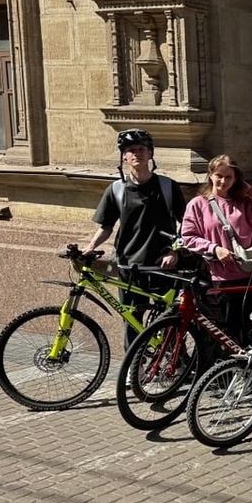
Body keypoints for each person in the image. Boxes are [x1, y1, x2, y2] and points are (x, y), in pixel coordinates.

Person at [83, 128, 186, 347]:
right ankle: (133, 365)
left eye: (141, 149)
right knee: (131, 322)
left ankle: (174, 360)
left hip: (162, 266)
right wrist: (90, 247)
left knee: (169, 321)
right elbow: (106, 226)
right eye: (131, 150)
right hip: (129, 267)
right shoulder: (116, 189)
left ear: (150, 154)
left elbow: (186, 224)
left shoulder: (168, 186)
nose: (136, 154)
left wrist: (175, 251)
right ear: (124, 156)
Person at [180, 154, 252, 342]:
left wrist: (250, 190)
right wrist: (214, 249)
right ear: (210, 175)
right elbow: (188, 237)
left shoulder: (245, 203)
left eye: (229, 177)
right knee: (219, 334)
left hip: (248, 277)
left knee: (247, 333)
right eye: (219, 175)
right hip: (218, 279)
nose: (223, 181)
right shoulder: (198, 204)